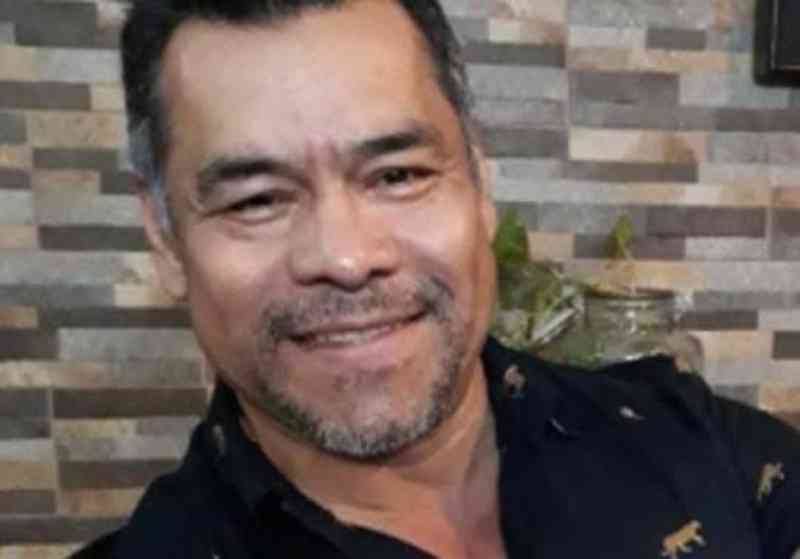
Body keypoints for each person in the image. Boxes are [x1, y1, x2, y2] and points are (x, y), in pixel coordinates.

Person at [73, 0, 800, 557]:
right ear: (165, 237)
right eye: (257, 200)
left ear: (479, 184)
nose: (347, 257)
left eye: (398, 175)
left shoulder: (701, 447)